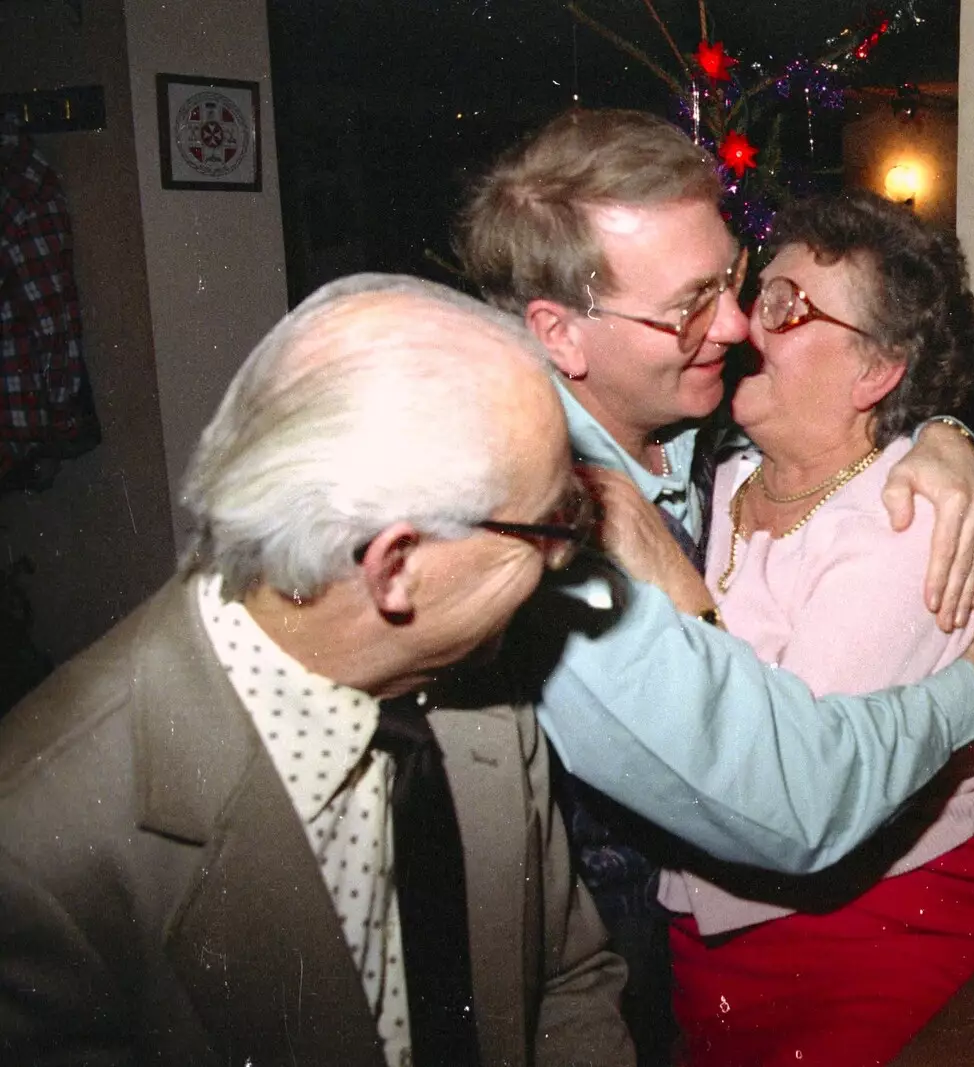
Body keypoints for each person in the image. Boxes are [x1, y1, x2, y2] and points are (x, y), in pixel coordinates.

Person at [454, 108, 974, 1064]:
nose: (737, 322)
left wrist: (942, 438)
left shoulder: (686, 430)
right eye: (691, 304)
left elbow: (844, 450)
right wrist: (970, 688)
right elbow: (792, 793)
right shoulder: (546, 526)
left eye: (734, 283)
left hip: (831, 945)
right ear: (562, 335)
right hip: (602, 952)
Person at [0, 275, 632, 1066]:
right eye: (547, 528)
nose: (562, 560)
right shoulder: (37, 853)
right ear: (395, 567)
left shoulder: (485, 690)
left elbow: (568, 977)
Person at [601, 192, 974, 1066]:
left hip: (893, 937)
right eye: (747, 292)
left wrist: (665, 573)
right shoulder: (715, 476)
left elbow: (776, 775)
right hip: (721, 947)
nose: (735, 324)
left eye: (783, 305)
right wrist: (953, 431)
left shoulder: (911, 521)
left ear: (876, 370)